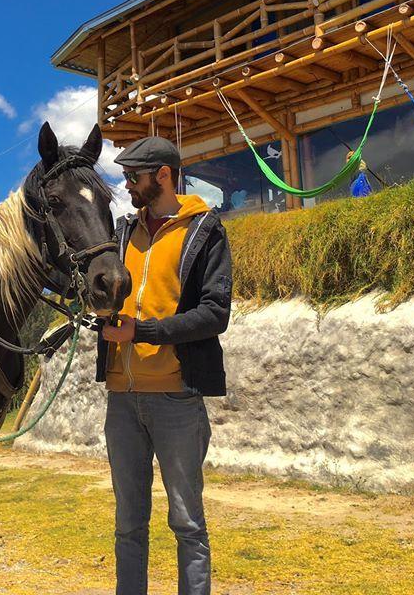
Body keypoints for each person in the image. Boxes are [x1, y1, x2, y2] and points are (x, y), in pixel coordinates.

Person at [98, 136, 232, 595]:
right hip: (122, 402)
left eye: (134, 176)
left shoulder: (204, 230)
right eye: (125, 176)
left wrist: (145, 331)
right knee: (127, 526)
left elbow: (216, 313)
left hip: (178, 399)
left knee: (188, 523)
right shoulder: (119, 234)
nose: (127, 184)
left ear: (163, 175)